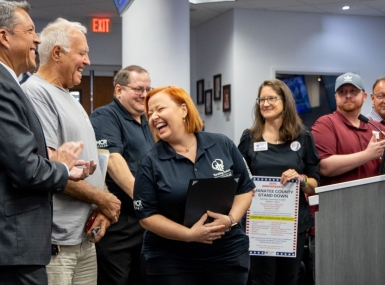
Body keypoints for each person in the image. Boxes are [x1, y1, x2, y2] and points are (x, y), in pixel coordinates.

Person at [21, 18, 121, 285]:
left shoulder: (68, 95)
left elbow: (86, 167)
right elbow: (50, 168)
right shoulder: (36, 94)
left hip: (83, 239)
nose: (87, 61)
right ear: (57, 53)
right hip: (57, 246)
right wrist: (103, 199)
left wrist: (102, 201)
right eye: (82, 52)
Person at [0, 2, 88, 284]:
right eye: (30, 31)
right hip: (15, 246)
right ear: (4, 37)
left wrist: (59, 165)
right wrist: (61, 167)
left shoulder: (11, 83)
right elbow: (24, 167)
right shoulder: (4, 86)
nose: (37, 39)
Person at [133, 85, 255, 285]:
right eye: (150, 113)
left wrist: (231, 220)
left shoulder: (222, 145)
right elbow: (147, 216)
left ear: (183, 110)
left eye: (160, 109)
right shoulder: (150, 162)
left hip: (227, 254)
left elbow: (245, 189)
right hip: (172, 260)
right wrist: (189, 235)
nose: (154, 117)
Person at [238, 79, 320, 285]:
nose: (265, 103)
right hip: (258, 223)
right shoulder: (250, 137)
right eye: (261, 99)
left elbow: (315, 184)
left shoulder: (303, 137)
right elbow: (237, 179)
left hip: (292, 225)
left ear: (285, 102)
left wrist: (301, 179)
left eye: (271, 98)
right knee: (260, 280)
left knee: (289, 279)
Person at [90, 65, 154, 285]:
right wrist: (146, 200)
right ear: (119, 91)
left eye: (148, 89)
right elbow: (113, 161)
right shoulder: (105, 116)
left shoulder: (146, 122)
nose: (144, 94)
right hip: (119, 221)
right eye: (138, 89)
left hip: (144, 222)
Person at [311, 72, 385, 186]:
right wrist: (368, 154)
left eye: (353, 91)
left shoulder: (377, 127)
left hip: (374, 200)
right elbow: (324, 167)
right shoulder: (325, 124)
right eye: (342, 92)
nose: (348, 95)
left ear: (364, 96)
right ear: (335, 97)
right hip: (339, 201)